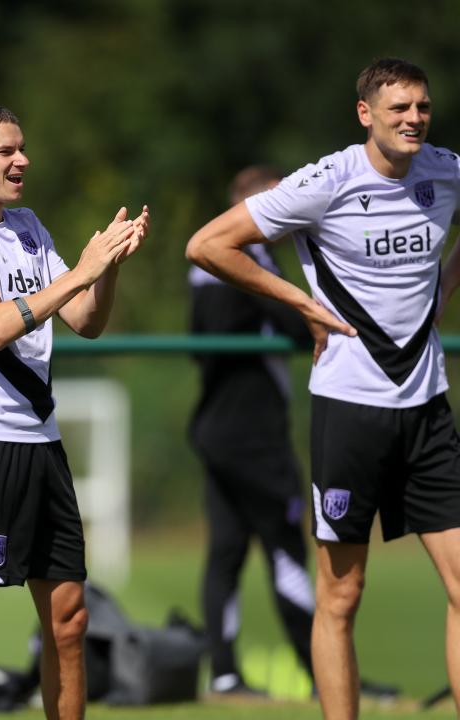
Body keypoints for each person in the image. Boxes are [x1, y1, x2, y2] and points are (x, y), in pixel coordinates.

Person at [187, 57, 460, 719]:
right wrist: (298, 302)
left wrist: (444, 287)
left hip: (427, 410)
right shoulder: (327, 180)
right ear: (365, 113)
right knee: (341, 596)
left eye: (421, 106)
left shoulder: (446, 172)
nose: (414, 119)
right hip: (349, 414)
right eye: (398, 108)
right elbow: (207, 245)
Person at [0, 101, 149, 720]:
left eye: (22, 149)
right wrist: (84, 271)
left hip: (42, 445)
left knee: (69, 618)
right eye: (6, 151)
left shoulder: (29, 227)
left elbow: (85, 322)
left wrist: (107, 271)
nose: (22, 161)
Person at [188, 165, 316, 696]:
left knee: (227, 550)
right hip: (252, 435)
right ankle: (323, 674)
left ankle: (224, 675)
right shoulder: (248, 253)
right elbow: (295, 324)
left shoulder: (201, 264)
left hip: (216, 429)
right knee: (288, 546)